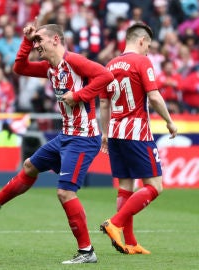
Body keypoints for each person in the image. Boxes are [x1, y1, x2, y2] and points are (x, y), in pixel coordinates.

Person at [0, 22, 114, 264]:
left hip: (83, 138)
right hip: (65, 136)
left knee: (65, 192)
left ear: (56, 40)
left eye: (39, 40)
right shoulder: (50, 68)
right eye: (34, 42)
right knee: (29, 166)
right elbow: (19, 68)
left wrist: (79, 95)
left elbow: (106, 76)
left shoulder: (75, 61)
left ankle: (87, 252)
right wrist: (25, 40)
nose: (36, 45)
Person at [99, 22, 178, 255]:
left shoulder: (110, 65)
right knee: (155, 186)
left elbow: (103, 103)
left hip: (114, 132)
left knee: (125, 188)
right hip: (137, 132)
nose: (148, 51)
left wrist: (104, 133)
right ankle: (115, 223)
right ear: (141, 40)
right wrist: (169, 120)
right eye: (149, 46)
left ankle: (130, 242)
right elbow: (153, 97)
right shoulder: (142, 62)